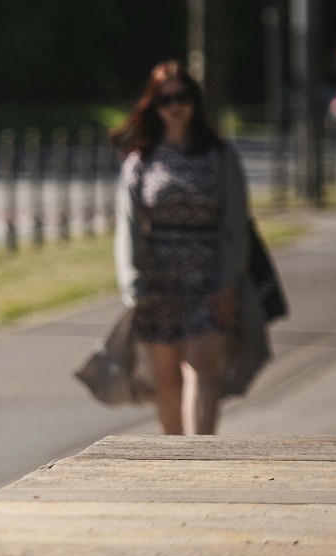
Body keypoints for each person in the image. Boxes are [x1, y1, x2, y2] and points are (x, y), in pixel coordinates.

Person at [108, 59, 269, 435]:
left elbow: (235, 224)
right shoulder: (140, 160)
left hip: (209, 275)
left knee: (201, 364)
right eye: (165, 99)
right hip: (159, 279)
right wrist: (132, 285)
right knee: (167, 377)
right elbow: (128, 227)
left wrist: (228, 281)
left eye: (182, 97)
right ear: (154, 105)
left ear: (194, 102)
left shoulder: (220, 157)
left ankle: (201, 457)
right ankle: (175, 459)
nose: (175, 105)